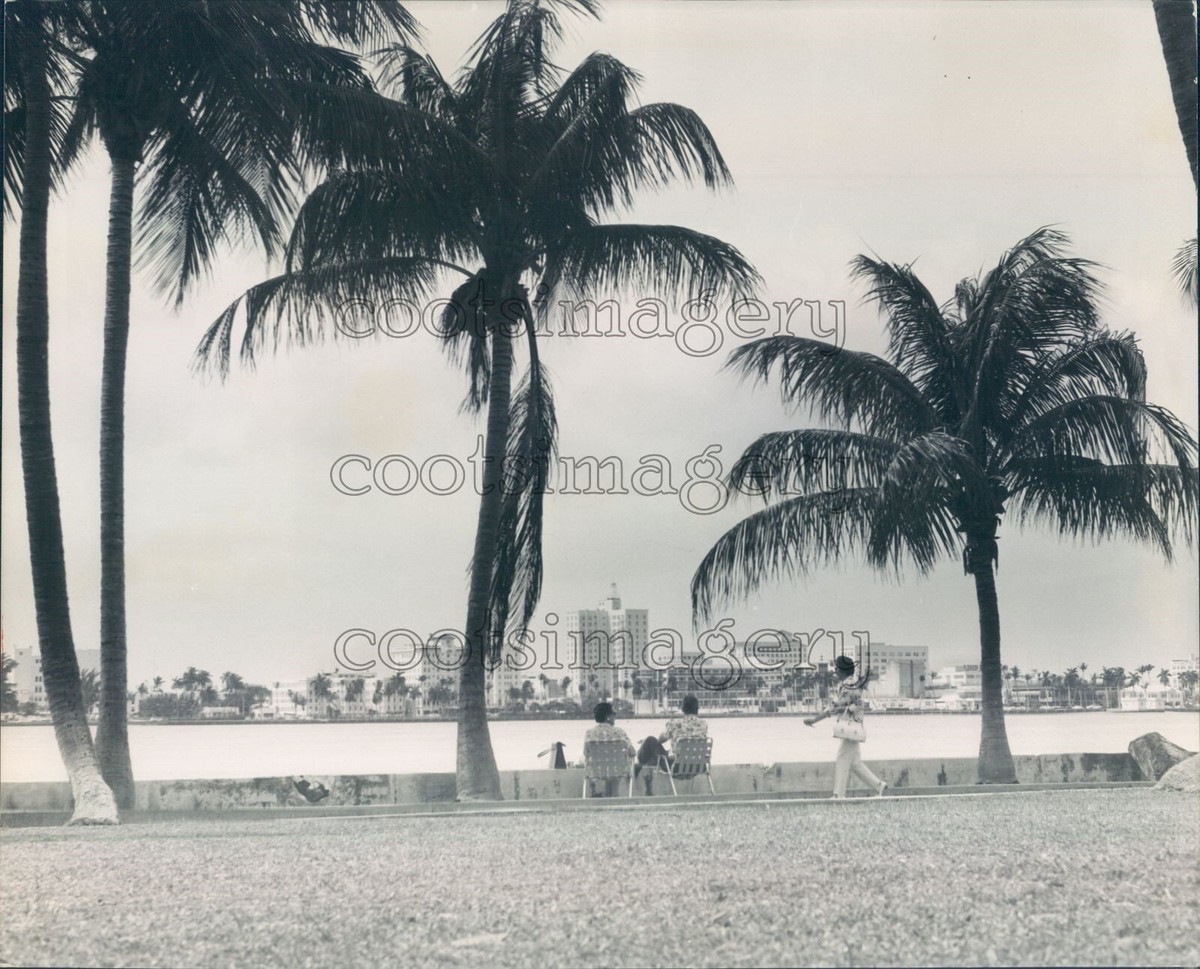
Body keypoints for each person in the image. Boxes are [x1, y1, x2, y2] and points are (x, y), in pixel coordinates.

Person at [804, 656, 888, 799]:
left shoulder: (847, 685)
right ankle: (879, 785)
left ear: (842, 670)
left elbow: (834, 706)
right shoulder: (852, 683)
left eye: (837, 668)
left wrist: (814, 719)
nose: (835, 670)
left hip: (850, 727)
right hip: (853, 727)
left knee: (842, 758)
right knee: (855, 763)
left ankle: (839, 794)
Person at [636, 694, 708, 795]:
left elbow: (660, 740)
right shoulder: (704, 724)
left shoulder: (674, 724)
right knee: (664, 752)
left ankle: (638, 765)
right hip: (698, 766)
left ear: (683, 709)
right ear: (697, 709)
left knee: (649, 740)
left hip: (677, 767)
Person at [584, 701, 636, 796]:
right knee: (615, 767)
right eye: (614, 714)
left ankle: (608, 795)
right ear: (608, 716)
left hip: (596, 771)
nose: (615, 717)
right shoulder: (619, 732)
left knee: (609, 766)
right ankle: (614, 795)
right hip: (618, 770)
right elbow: (632, 752)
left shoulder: (589, 733)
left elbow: (586, 753)